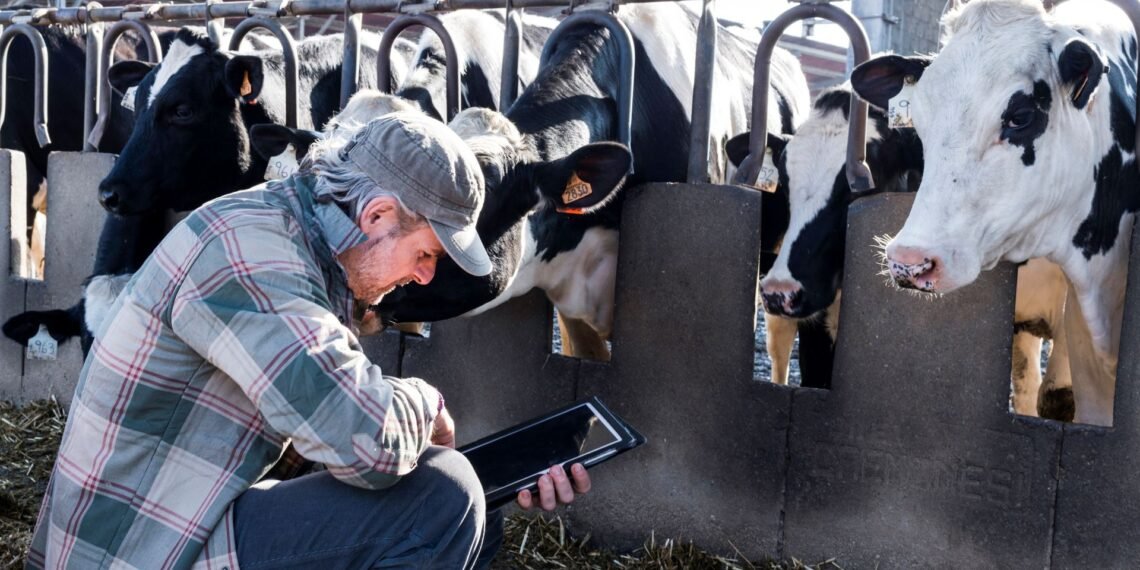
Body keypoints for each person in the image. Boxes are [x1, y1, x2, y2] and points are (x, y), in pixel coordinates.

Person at [26, 112, 591, 570]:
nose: (423, 277)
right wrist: (427, 401)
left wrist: (489, 485)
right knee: (442, 498)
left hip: (185, 520)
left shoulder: (297, 242)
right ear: (376, 214)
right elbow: (366, 443)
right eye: (425, 255)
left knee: (468, 509)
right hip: (139, 549)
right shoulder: (252, 255)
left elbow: (320, 430)